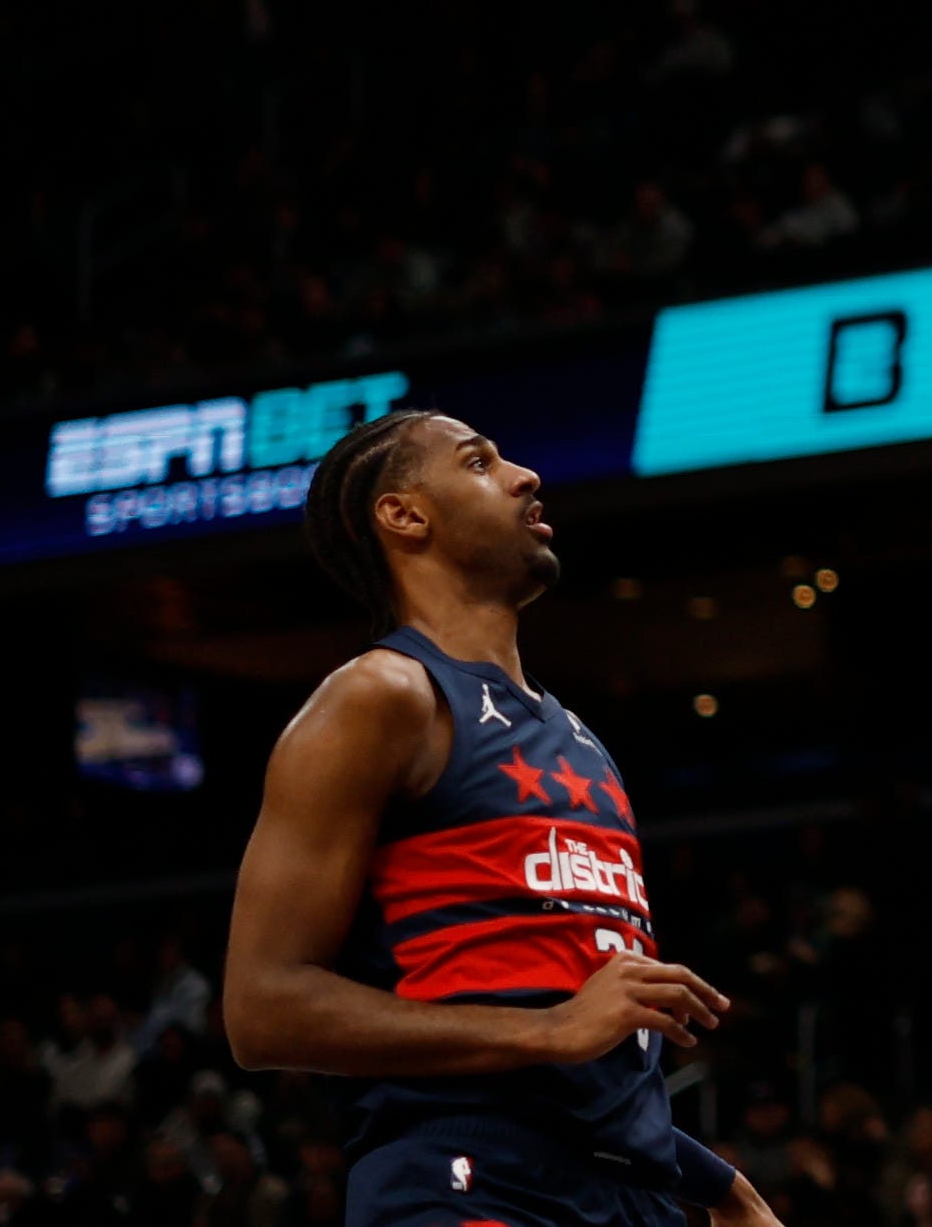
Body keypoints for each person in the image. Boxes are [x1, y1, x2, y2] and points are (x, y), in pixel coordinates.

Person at [221, 409, 781, 1227]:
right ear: (405, 515)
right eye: (480, 464)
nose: (525, 475)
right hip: (470, 1181)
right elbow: (262, 1010)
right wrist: (549, 1029)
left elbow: (586, 1048)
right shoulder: (380, 696)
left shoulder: (580, 738)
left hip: (629, 1190)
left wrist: (719, 1184)